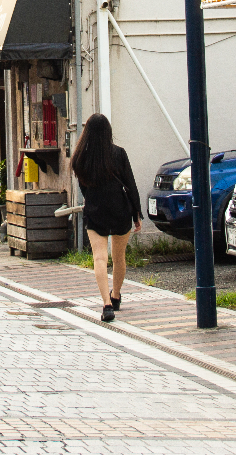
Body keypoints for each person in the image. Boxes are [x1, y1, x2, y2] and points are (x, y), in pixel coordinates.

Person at [72, 113, 142, 322]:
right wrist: (136, 213)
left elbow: (83, 186)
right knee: (118, 257)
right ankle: (117, 295)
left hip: (95, 211)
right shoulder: (119, 154)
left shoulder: (80, 157)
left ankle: (106, 304)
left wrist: (92, 199)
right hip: (120, 210)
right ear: (108, 132)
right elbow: (130, 184)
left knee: (99, 258)